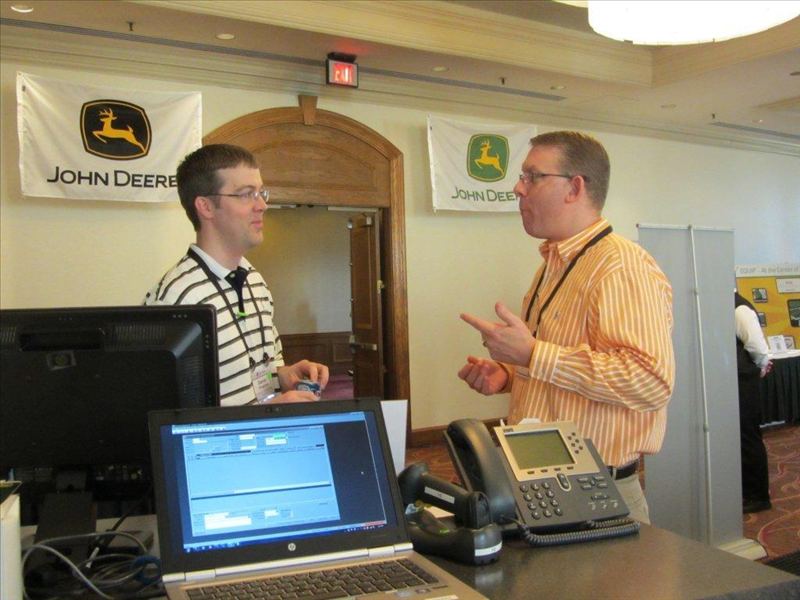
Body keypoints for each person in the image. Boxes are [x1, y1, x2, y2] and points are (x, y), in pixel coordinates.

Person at [458, 131, 675, 523]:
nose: (518, 188)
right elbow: (558, 365)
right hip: (542, 485)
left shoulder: (621, 266)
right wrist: (509, 374)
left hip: (597, 493)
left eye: (532, 176)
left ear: (575, 188)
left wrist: (533, 354)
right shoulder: (553, 265)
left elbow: (650, 381)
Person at [144, 144, 328, 406]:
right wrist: (267, 415)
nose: (262, 205)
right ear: (206, 207)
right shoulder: (177, 299)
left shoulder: (254, 280)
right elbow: (173, 418)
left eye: (261, 193)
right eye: (246, 195)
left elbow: (259, 374)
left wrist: (282, 376)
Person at [735, 291, 772, 513]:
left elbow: (757, 347)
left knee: (747, 436)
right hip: (731, 382)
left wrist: (762, 364)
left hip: (743, 382)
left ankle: (758, 496)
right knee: (736, 438)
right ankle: (744, 489)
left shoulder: (739, 308)